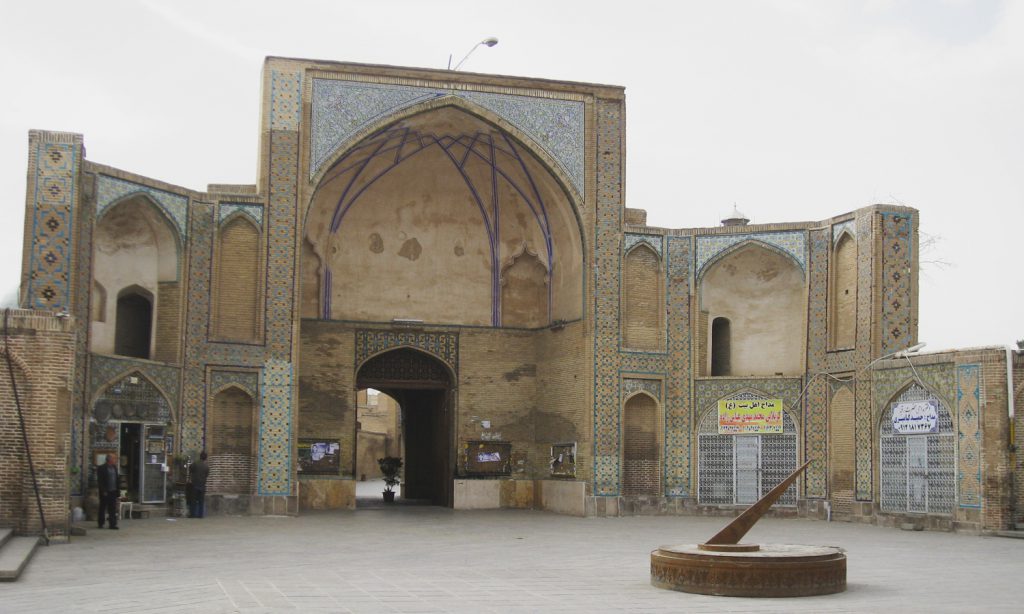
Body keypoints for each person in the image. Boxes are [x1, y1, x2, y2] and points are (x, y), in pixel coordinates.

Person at [95, 453, 120, 530]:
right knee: (103, 507)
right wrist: (103, 490)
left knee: (112, 508)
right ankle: (101, 523)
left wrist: (117, 491)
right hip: (105, 491)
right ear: (109, 459)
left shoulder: (114, 468)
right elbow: (100, 481)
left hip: (113, 490)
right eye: (114, 458)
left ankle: (112, 524)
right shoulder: (102, 468)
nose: (115, 460)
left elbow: (116, 479)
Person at [188, 451, 210, 518]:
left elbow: (190, 469)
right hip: (202, 485)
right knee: (201, 501)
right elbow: (207, 475)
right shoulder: (206, 466)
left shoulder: (195, 463)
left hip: (195, 485)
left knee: (193, 500)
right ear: (206, 458)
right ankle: (200, 515)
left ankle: (192, 515)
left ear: (200, 456)